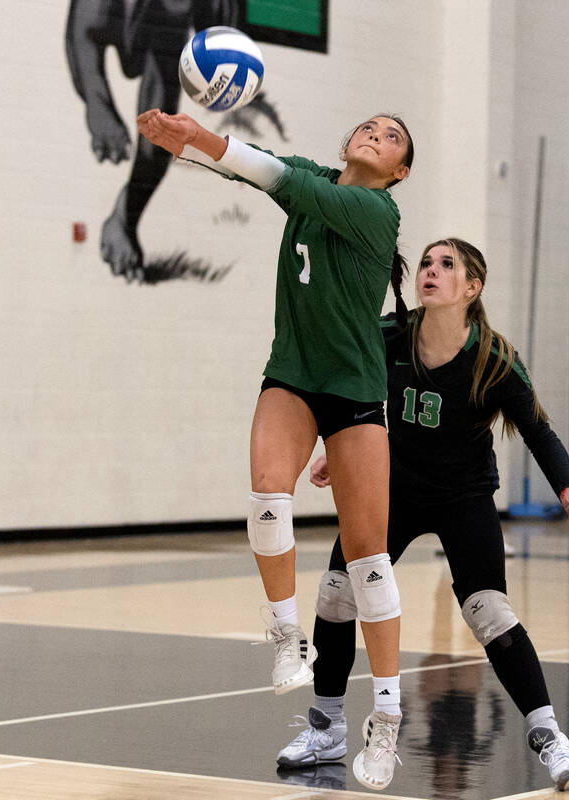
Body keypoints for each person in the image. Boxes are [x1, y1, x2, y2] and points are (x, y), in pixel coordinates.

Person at [136, 108, 414, 790]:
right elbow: (264, 164)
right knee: (267, 492)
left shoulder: (376, 213)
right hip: (292, 373)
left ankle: (386, 716)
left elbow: (276, 175)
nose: (375, 132)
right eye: (369, 125)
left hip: (353, 392)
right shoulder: (317, 177)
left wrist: (204, 137)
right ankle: (287, 635)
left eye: (392, 136)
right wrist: (194, 142)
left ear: (399, 172)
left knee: (368, 557)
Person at [274, 238, 569, 792]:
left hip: (463, 495)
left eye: (446, 265)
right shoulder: (388, 334)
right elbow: (350, 395)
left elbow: (539, 433)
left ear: (471, 288)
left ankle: (549, 737)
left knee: (489, 612)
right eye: (427, 263)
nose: (430, 271)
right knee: (337, 593)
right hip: (392, 487)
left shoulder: (494, 360)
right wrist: (337, 447)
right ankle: (326, 726)